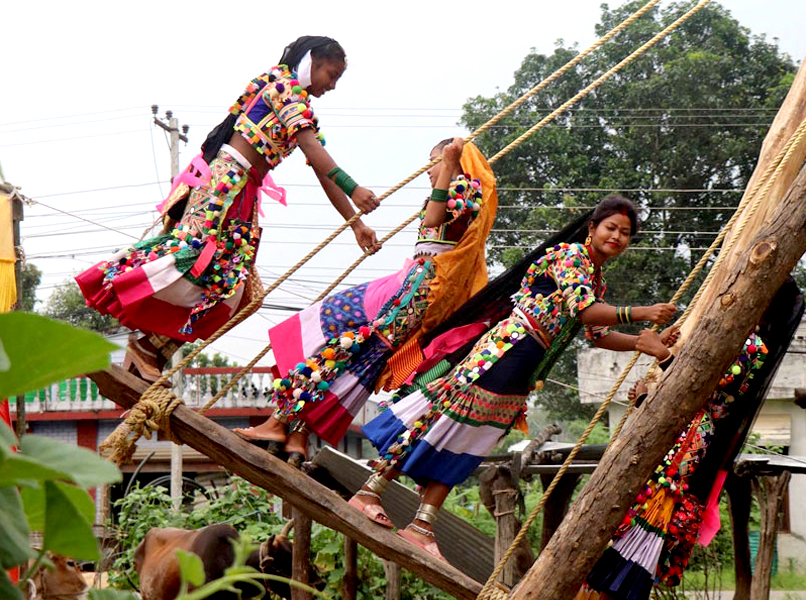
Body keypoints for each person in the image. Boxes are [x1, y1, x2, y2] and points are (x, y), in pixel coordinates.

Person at [353, 195, 679, 562]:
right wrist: (643, 312)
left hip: (525, 365)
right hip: (508, 349)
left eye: (625, 233)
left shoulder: (595, 280)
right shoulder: (572, 256)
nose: (617, 237)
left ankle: (422, 526)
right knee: (444, 422)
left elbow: (599, 334)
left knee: (471, 439)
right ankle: (370, 491)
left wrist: (642, 342)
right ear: (592, 227)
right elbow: (585, 312)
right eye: (611, 227)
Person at [76, 36, 380, 382]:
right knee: (196, 260)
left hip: (243, 192)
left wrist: (355, 223)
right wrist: (353, 189)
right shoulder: (284, 89)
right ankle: (140, 339)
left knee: (241, 294)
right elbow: (313, 149)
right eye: (332, 73)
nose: (333, 85)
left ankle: (150, 351)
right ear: (312, 62)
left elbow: (320, 165)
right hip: (225, 184)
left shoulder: (300, 107)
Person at [234, 137, 498, 466]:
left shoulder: (463, 188)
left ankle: (278, 423)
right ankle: (298, 434)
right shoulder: (458, 189)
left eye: (434, 161)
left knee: (335, 336)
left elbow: (432, 220)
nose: (429, 171)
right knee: (351, 357)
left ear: (456, 161)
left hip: (412, 295)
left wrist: (447, 166)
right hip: (411, 289)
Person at [577, 279, 804, 600]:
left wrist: (662, 353)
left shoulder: (753, 346)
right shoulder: (732, 335)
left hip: (685, 448)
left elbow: (704, 389)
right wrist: (645, 398)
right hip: (675, 436)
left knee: (636, 540)